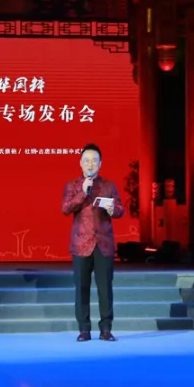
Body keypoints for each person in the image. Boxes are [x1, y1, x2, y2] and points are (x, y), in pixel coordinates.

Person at [61, 143, 124, 342]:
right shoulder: (72, 185)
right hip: (81, 244)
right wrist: (83, 192)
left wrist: (114, 209)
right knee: (81, 288)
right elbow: (65, 208)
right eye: (87, 160)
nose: (90, 164)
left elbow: (120, 209)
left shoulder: (109, 186)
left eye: (94, 160)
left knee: (105, 289)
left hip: (103, 244)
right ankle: (84, 330)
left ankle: (106, 329)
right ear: (80, 163)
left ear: (100, 163)